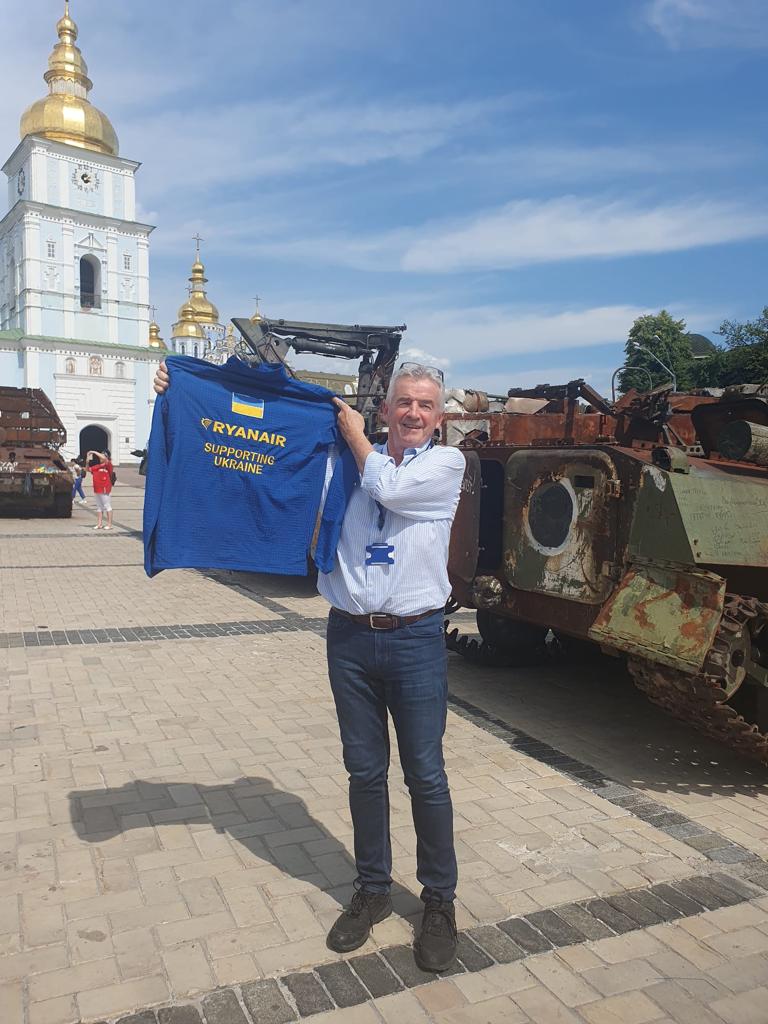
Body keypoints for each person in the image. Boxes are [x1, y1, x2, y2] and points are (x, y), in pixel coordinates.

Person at [152, 359, 465, 971]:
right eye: (403, 402)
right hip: (349, 637)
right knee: (364, 771)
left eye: (425, 405)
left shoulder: (446, 465)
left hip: (415, 639)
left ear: (438, 417)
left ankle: (438, 902)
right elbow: (261, 452)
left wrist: (351, 433)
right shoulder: (341, 457)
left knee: (425, 775)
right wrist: (183, 391)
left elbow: (388, 489)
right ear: (386, 409)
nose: (413, 413)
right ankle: (372, 890)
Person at [86, 449, 113, 530]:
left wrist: (93, 452)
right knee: (99, 507)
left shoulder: (108, 464)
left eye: (103, 455)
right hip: (97, 489)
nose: (100, 457)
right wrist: (87, 462)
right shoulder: (97, 466)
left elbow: (105, 459)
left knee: (107, 506)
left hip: (104, 489)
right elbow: (88, 469)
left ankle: (109, 524)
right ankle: (99, 524)